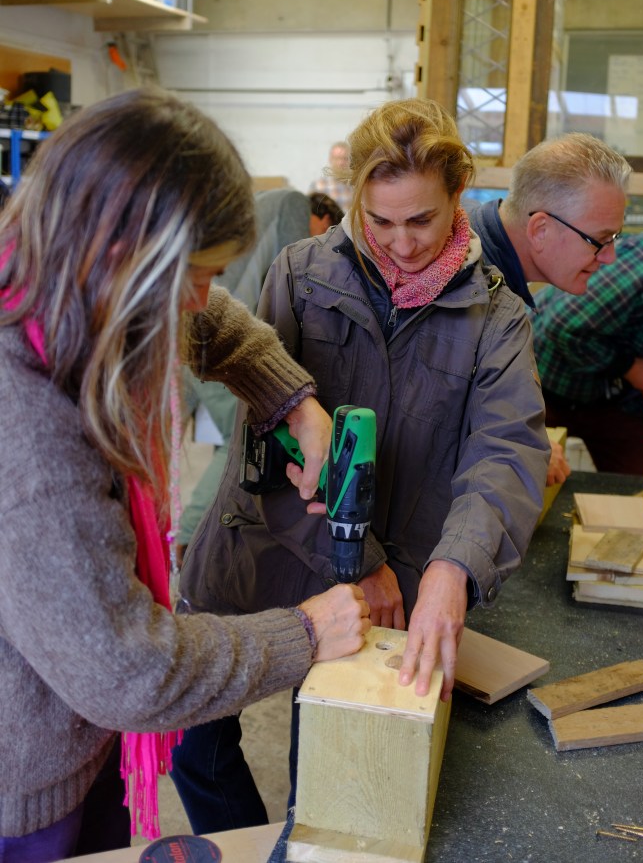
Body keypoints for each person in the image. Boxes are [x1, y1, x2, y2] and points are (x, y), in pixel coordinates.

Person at [0, 87, 371, 861]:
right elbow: (126, 671)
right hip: (23, 788)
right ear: (118, 260)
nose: (201, 300)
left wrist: (292, 400)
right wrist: (306, 633)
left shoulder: (61, 285)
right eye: (193, 274)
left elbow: (216, 320)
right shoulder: (27, 429)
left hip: (77, 730)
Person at [174, 97, 550, 834]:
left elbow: (505, 452)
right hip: (265, 551)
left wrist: (455, 567)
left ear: (458, 198)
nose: (401, 245)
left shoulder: (497, 318)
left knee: (327, 775)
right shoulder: (300, 273)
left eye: (422, 221)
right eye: (380, 222)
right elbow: (267, 447)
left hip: (395, 578)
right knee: (196, 751)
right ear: (354, 204)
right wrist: (356, 559)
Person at [464, 132, 631, 485]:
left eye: (614, 239)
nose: (610, 257)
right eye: (599, 240)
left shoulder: (493, 271)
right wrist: (526, 448)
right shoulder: (469, 288)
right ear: (540, 229)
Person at [177, 187, 312, 567]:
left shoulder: (196, 307)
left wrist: (295, 397)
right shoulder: (293, 206)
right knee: (235, 443)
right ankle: (187, 543)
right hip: (205, 357)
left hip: (219, 348)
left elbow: (210, 314)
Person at [532, 232, 643, 475]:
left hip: (611, 396)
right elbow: (564, 326)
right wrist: (631, 368)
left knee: (639, 485)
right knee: (532, 479)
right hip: (546, 383)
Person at [308, 140, 352, 211]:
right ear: (330, 159)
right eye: (337, 158)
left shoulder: (357, 186)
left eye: (345, 158)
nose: (341, 162)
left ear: (351, 160)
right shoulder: (318, 186)